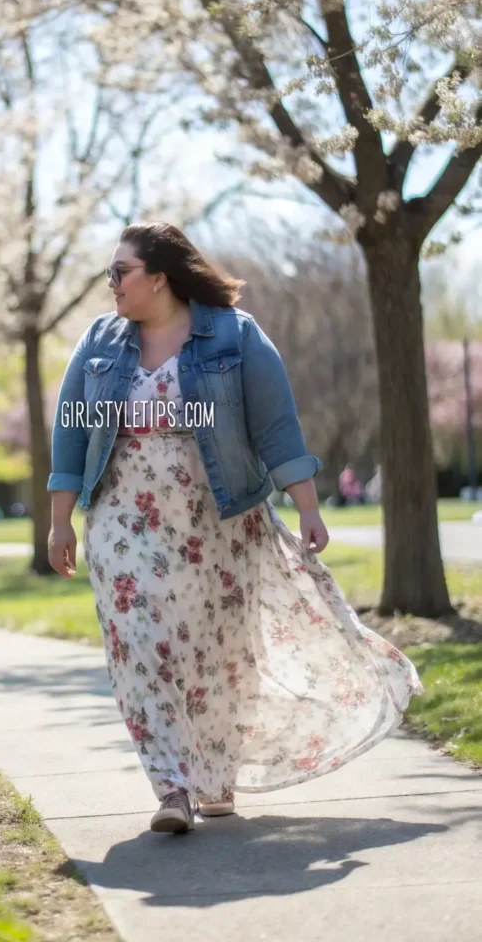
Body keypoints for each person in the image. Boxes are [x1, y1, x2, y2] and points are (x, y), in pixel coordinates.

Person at [47, 222, 424, 835]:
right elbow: (69, 434)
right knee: (140, 644)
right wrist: (59, 522)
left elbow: (276, 426)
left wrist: (307, 506)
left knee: (217, 653)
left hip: (218, 521)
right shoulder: (99, 340)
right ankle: (172, 787)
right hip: (123, 521)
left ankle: (214, 777)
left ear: (159, 278)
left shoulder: (233, 334)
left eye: (121, 272)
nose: (110, 283)